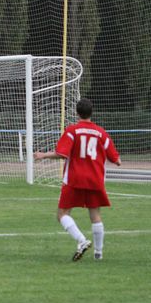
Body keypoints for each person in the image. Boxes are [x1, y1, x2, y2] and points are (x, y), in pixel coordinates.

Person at [34, 99, 121, 261]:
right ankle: (98, 254)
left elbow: (61, 154)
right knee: (95, 214)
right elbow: (116, 159)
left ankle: (81, 240)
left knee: (62, 214)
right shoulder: (101, 133)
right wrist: (116, 160)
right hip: (95, 179)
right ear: (91, 112)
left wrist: (42, 155)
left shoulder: (72, 131)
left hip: (74, 178)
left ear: (77, 112)